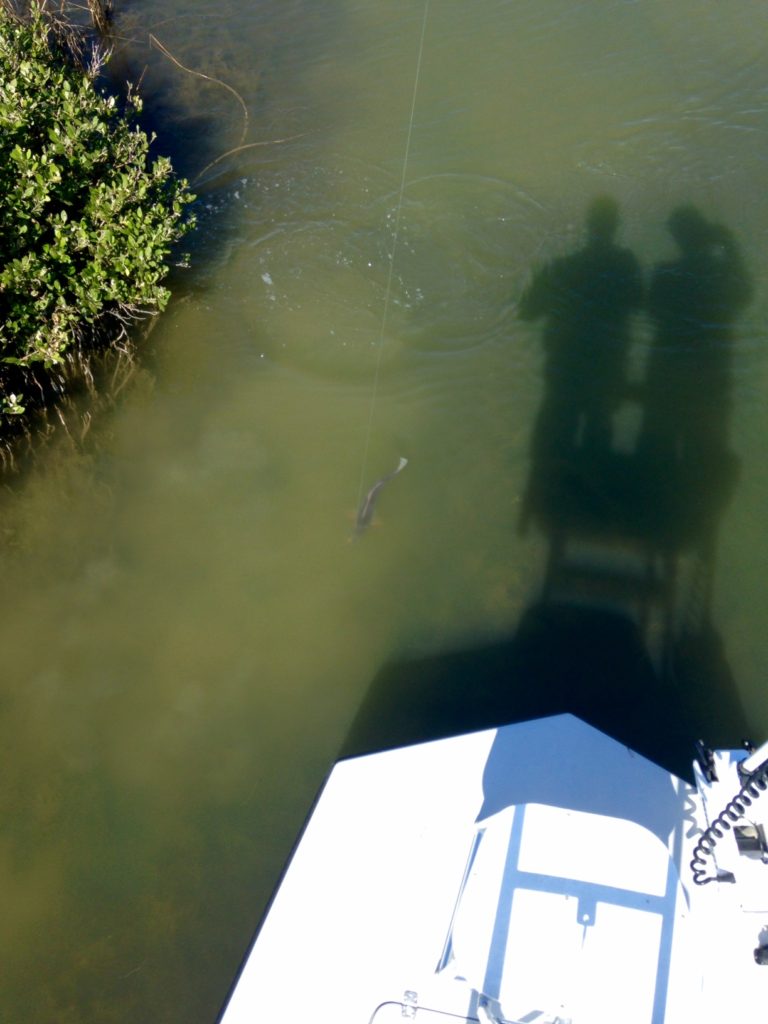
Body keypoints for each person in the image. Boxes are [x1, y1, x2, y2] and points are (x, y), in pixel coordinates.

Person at [518, 196, 643, 532]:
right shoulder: (626, 265)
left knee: (558, 430)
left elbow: (526, 313)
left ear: (589, 226)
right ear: (615, 227)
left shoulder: (562, 268)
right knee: (599, 431)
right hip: (606, 372)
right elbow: (640, 304)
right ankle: (592, 501)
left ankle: (555, 502)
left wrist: (534, 280)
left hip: (565, 371)